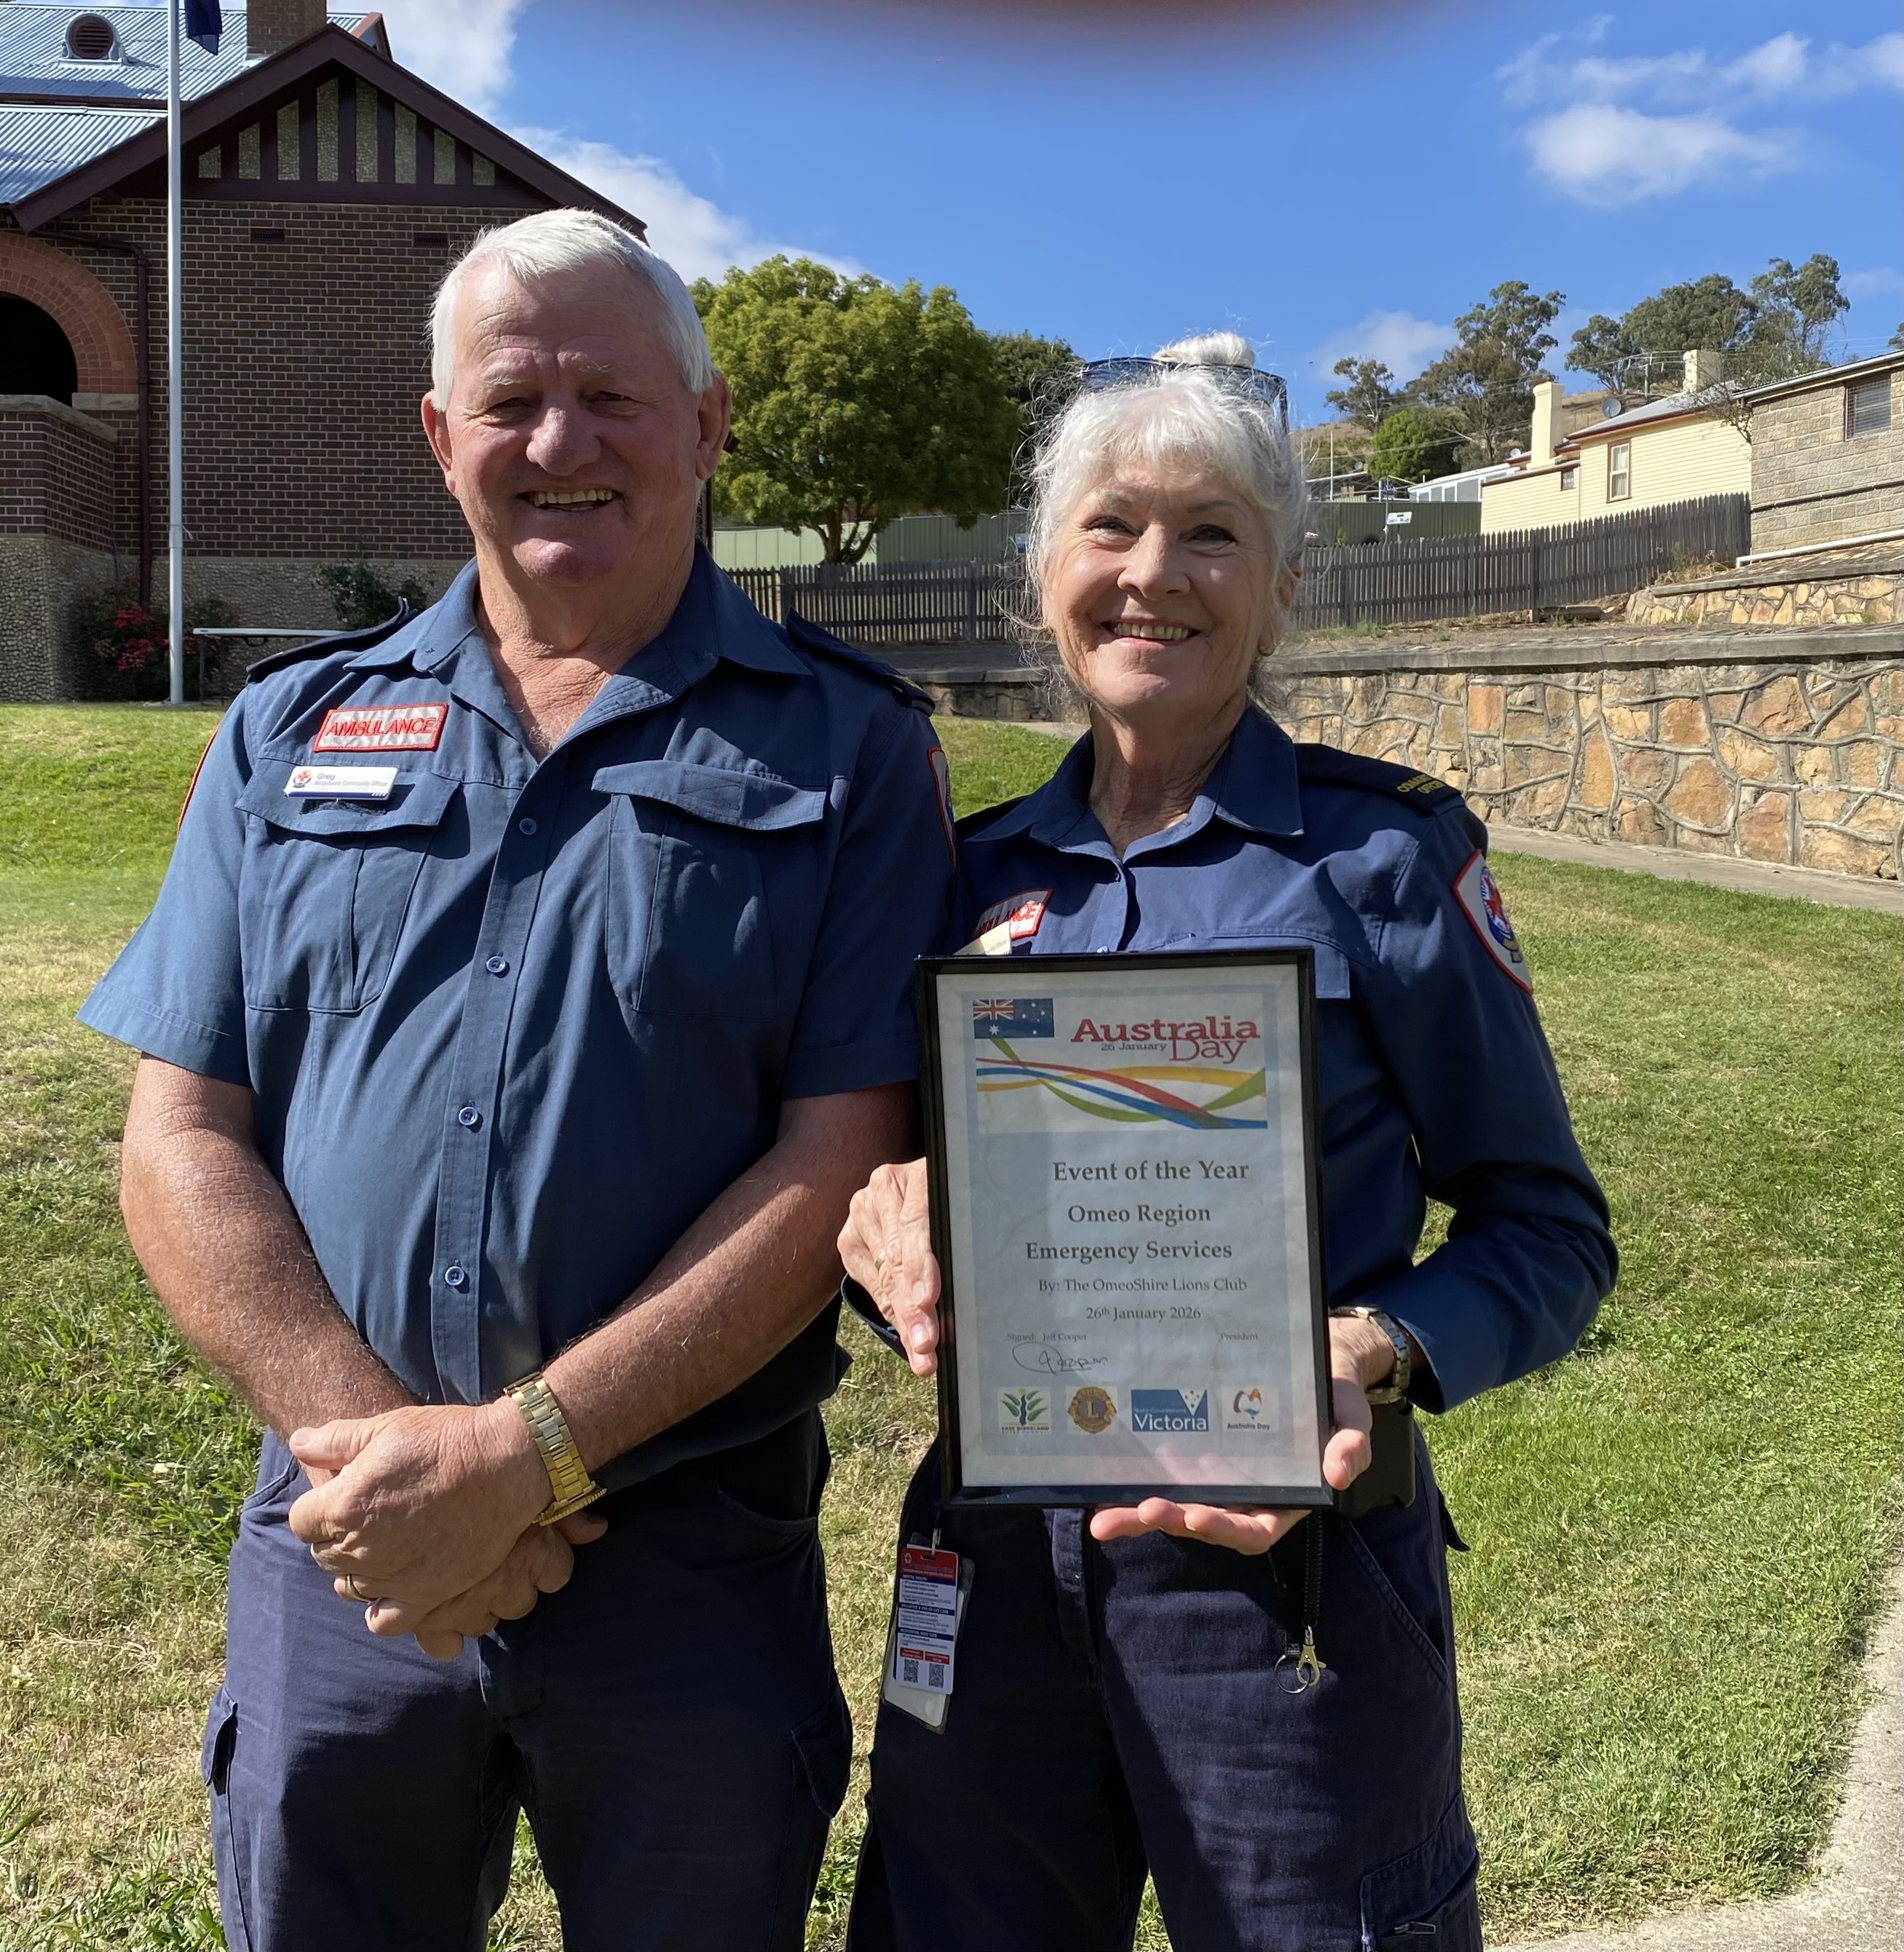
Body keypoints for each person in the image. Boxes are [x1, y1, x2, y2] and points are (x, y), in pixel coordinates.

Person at [79, 208, 955, 1952]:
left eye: (613, 397)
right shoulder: (288, 732)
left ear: (707, 427)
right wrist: (400, 1470)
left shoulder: (852, 748)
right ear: (438, 434)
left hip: (685, 1569)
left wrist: (528, 1455)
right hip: (345, 1551)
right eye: (512, 399)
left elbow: (838, 1151)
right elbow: (181, 1134)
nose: (562, 444)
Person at [836, 334, 1618, 1952]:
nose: (1154, 576)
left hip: (1289, 1578)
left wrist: (1379, 1347)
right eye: (1110, 527)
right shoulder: (956, 877)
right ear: (1041, 576)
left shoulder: (1385, 858)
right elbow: (896, 1207)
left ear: (1280, 589)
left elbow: (1551, 1233)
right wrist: (880, 1242)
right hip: (990, 1573)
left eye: (1212, 535)